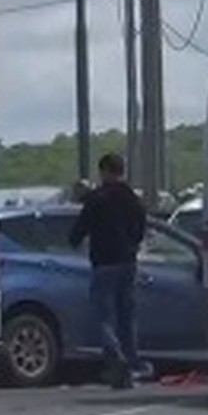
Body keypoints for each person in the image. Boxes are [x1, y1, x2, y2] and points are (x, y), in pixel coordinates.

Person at [69, 152, 149, 389]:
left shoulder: (98, 198)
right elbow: (141, 227)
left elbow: (80, 229)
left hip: (104, 263)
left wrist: (75, 241)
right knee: (127, 316)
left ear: (104, 171)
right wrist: (132, 245)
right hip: (128, 262)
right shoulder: (133, 198)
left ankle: (116, 356)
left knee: (101, 315)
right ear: (122, 171)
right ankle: (132, 362)